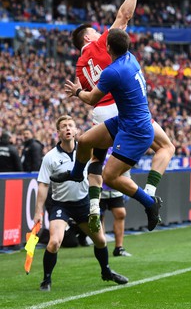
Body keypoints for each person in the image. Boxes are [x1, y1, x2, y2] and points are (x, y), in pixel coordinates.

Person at [51, 0, 175, 232]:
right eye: (95, 31)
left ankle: (85, 186)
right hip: (125, 113)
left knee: (86, 145)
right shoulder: (109, 50)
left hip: (102, 110)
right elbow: (124, 15)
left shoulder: (80, 66)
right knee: (165, 147)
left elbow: (89, 94)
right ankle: (149, 196)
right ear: (89, 38)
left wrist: (77, 93)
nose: (100, 32)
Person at [34, 115, 128, 292]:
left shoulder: (87, 152)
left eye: (71, 125)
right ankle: (46, 280)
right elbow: (43, 184)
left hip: (83, 203)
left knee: (100, 241)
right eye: (63, 126)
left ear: (76, 131)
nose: (68, 128)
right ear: (58, 132)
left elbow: (95, 175)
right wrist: (38, 212)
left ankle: (106, 271)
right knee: (54, 242)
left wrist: (95, 199)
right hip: (60, 205)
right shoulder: (50, 157)